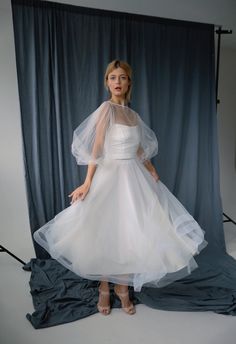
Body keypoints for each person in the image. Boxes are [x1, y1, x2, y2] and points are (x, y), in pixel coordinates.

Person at [33, 59, 208, 316]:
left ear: (129, 83)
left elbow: (137, 148)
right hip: (110, 174)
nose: (117, 82)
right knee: (108, 230)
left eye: (122, 77)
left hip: (134, 176)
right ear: (107, 82)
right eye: (113, 77)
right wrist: (88, 182)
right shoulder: (107, 110)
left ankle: (122, 288)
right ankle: (105, 286)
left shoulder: (133, 115)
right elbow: (98, 146)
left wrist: (150, 169)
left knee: (130, 230)